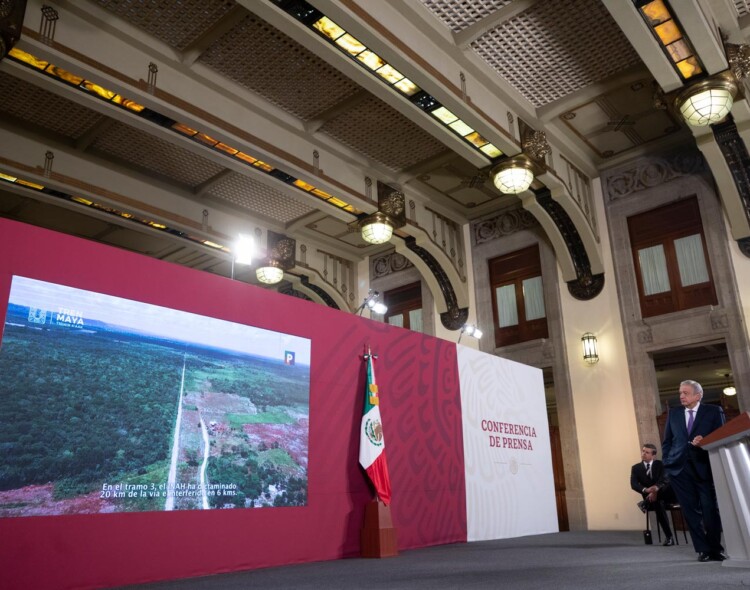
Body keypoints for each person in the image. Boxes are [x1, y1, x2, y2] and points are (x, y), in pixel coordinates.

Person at [661, 379, 726, 562]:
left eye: (686, 393)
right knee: (690, 511)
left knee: (710, 509)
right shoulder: (673, 414)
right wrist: (667, 461)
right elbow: (667, 441)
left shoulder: (713, 411)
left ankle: (715, 548)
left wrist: (704, 441)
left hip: (704, 467)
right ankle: (702, 549)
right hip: (679, 470)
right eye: (680, 392)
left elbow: (721, 436)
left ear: (698, 395)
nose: (681, 396)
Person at [630, 443, 674, 545]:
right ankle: (669, 537)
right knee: (657, 503)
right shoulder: (636, 468)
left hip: (666, 494)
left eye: (647, 452)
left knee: (661, 490)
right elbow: (634, 484)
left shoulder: (660, 464)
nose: (644, 454)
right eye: (643, 451)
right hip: (653, 498)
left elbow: (664, 479)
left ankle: (645, 503)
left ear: (653, 455)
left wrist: (654, 490)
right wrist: (646, 490)